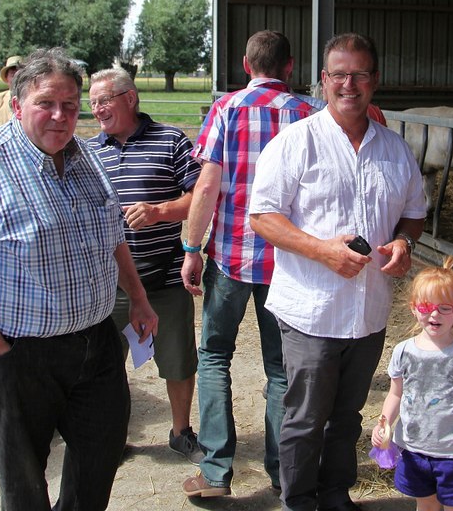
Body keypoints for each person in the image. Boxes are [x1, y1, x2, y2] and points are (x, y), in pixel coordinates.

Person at [0, 47, 159, 511]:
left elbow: (112, 237)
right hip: (18, 354)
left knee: (101, 457)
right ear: (16, 101)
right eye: (46, 103)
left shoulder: (87, 158)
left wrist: (139, 298)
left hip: (95, 345)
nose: (60, 116)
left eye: (70, 105)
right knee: (25, 483)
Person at [249, 32, 427, 511]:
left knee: (347, 414)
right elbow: (263, 216)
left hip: (368, 310)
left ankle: (335, 493)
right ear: (323, 81)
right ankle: (298, 500)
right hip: (312, 308)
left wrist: (405, 242)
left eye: (361, 74)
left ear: (375, 80)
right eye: (340, 75)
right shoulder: (296, 143)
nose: (350, 84)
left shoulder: (395, 150)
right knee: (306, 417)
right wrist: (321, 251)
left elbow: (415, 211)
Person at [179, 30, 320, 498]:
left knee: (215, 356)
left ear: (245, 64)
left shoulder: (227, 109)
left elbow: (207, 186)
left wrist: (191, 248)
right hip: (288, 264)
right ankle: (284, 474)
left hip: (231, 257)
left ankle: (217, 471)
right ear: (290, 66)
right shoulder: (310, 115)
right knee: (281, 370)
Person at [86, 68, 203, 463]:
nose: (98, 108)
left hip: (166, 275)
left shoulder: (170, 140)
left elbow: (199, 197)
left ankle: (180, 430)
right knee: (104, 367)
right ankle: (110, 437)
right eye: (93, 102)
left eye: (104, 100)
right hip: (110, 283)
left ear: (130, 98)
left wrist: (160, 211)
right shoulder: (87, 152)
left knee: (178, 360)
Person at [371, 259, 453, 511]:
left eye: (445, 307)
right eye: (426, 306)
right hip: (413, 450)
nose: (434, 314)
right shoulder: (403, 351)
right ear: (414, 308)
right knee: (425, 505)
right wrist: (383, 423)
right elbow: (395, 394)